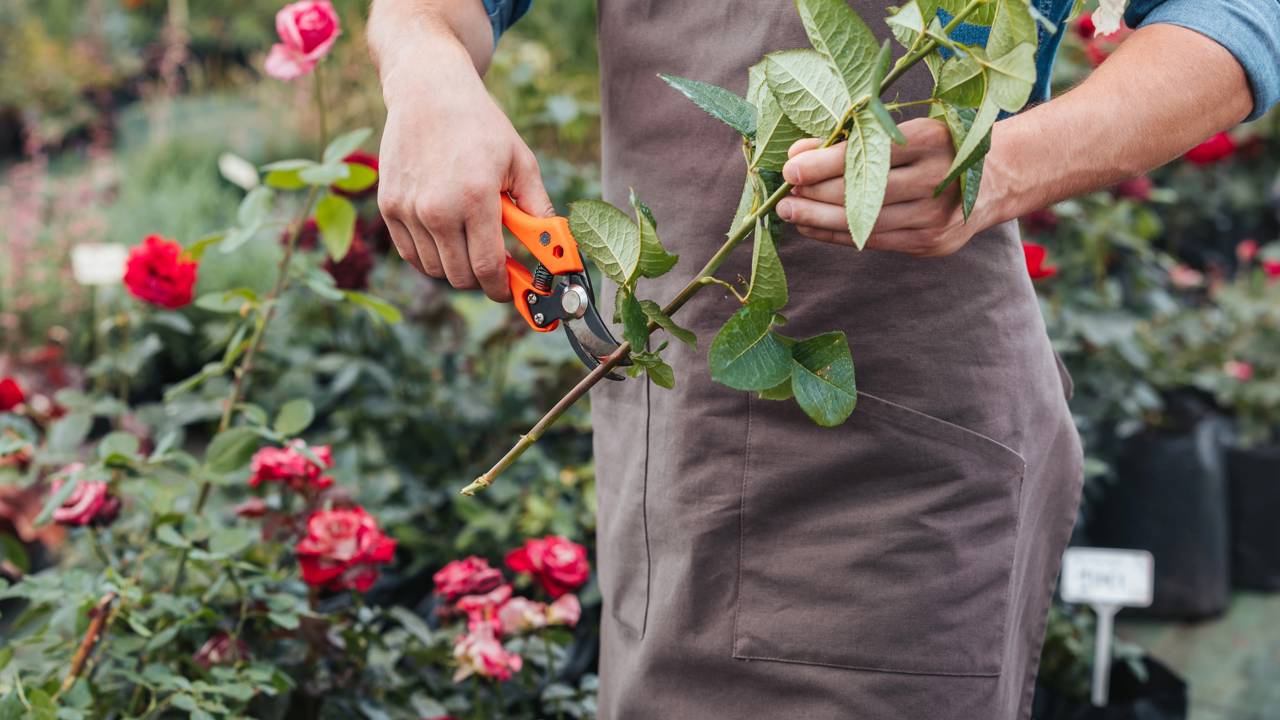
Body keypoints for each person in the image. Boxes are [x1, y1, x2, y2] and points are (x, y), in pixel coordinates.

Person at [367, 1, 1280, 717]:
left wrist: (1000, 164)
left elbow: (1238, 17)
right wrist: (425, 67)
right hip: (675, 436)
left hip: (896, 468)